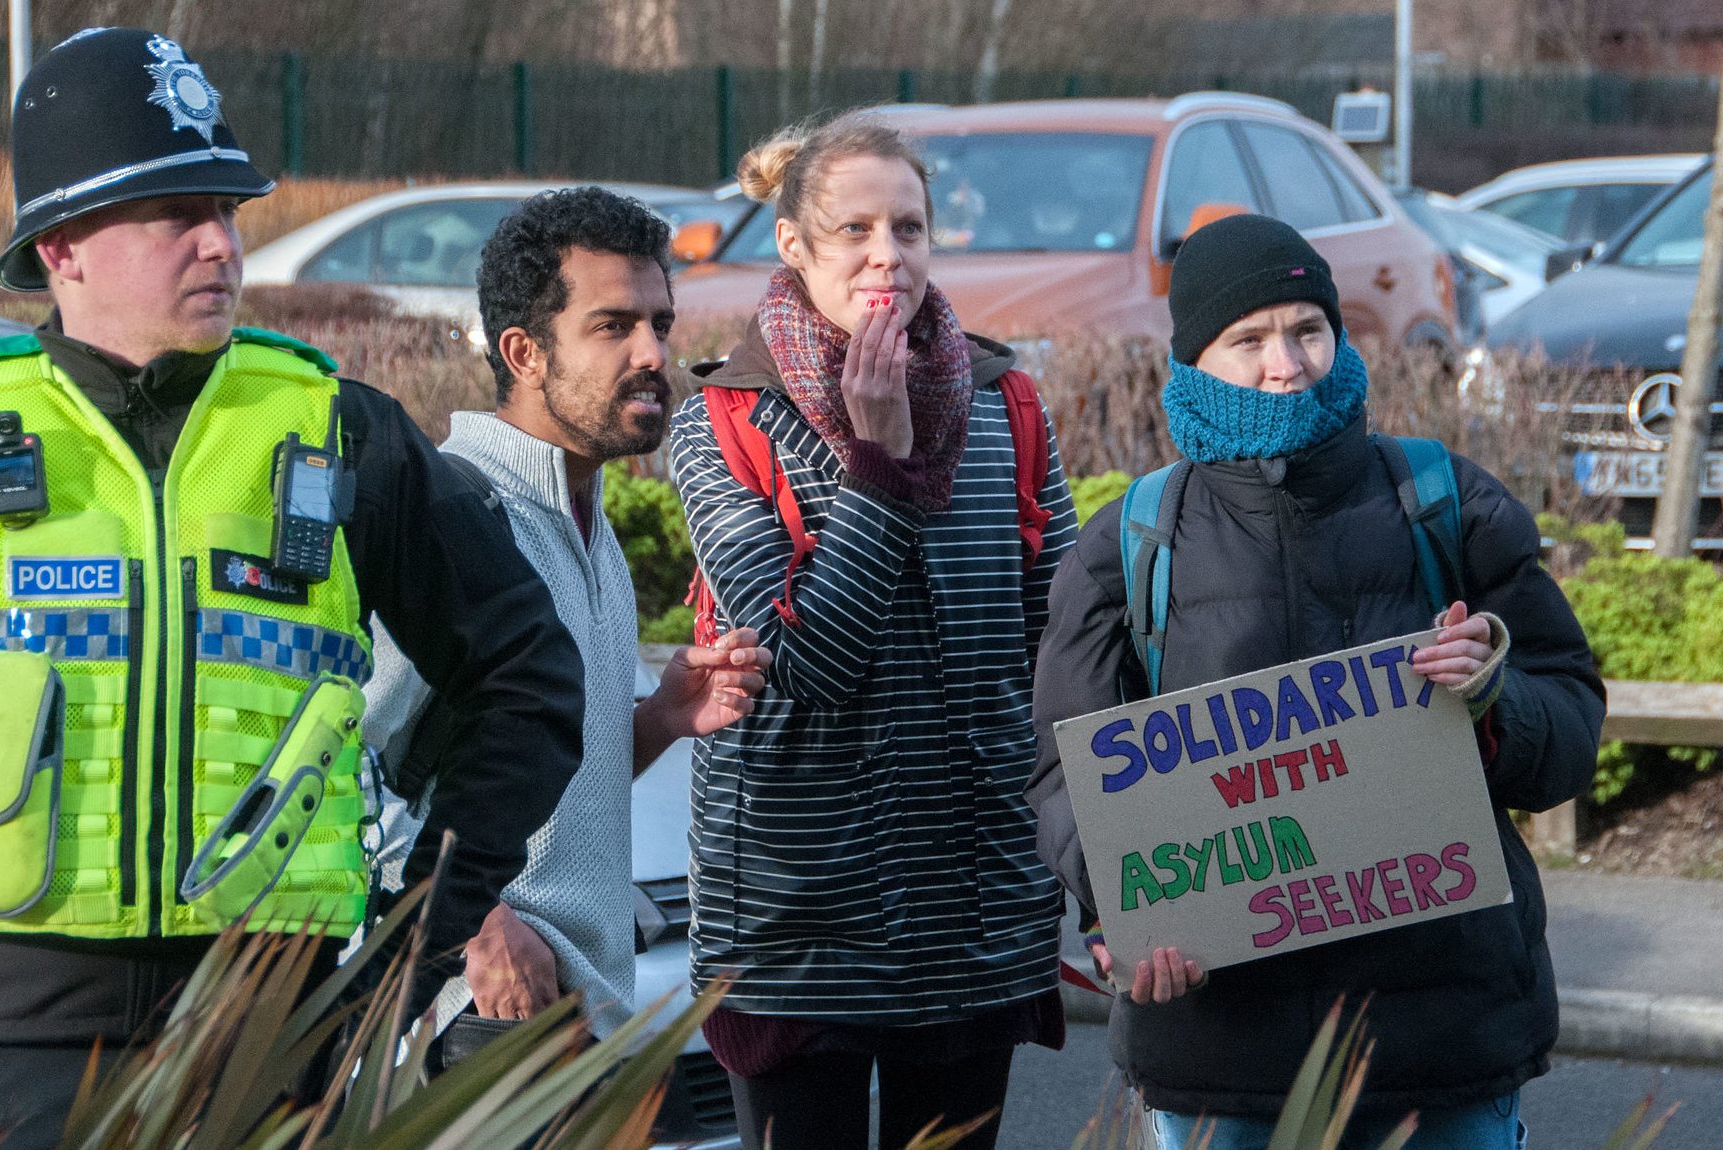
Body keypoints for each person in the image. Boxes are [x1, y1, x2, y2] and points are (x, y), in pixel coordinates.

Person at [0, 29, 584, 1150]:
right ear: (62, 245)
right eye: (175, 215)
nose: (220, 242)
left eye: (228, 208)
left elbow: (530, 678)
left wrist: (416, 944)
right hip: (11, 1047)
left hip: (273, 1035)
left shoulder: (341, 433)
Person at [1024, 214, 1604, 1150]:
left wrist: (1498, 694)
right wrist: (1123, 912)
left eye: (1307, 328)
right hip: (1222, 1053)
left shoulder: (1445, 500)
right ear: (1194, 360)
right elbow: (1064, 768)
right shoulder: (1131, 541)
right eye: (1247, 339)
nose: (1285, 362)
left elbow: (1570, 725)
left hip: (1441, 1042)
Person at [666, 112, 1080, 1150]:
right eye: (852, 230)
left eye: (908, 226)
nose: (884, 254)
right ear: (793, 247)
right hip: (799, 926)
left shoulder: (1007, 405)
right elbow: (808, 665)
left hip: (974, 911)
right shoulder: (720, 420)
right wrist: (879, 462)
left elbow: (1063, 661)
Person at [362, 187, 770, 1059]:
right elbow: (348, 770)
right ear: (524, 353)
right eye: (612, 326)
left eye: (660, 323)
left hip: (585, 1017)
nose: (653, 353)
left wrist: (661, 719)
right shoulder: (454, 517)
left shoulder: (591, 523)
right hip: (479, 1017)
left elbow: (536, 780)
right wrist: (482, 923)